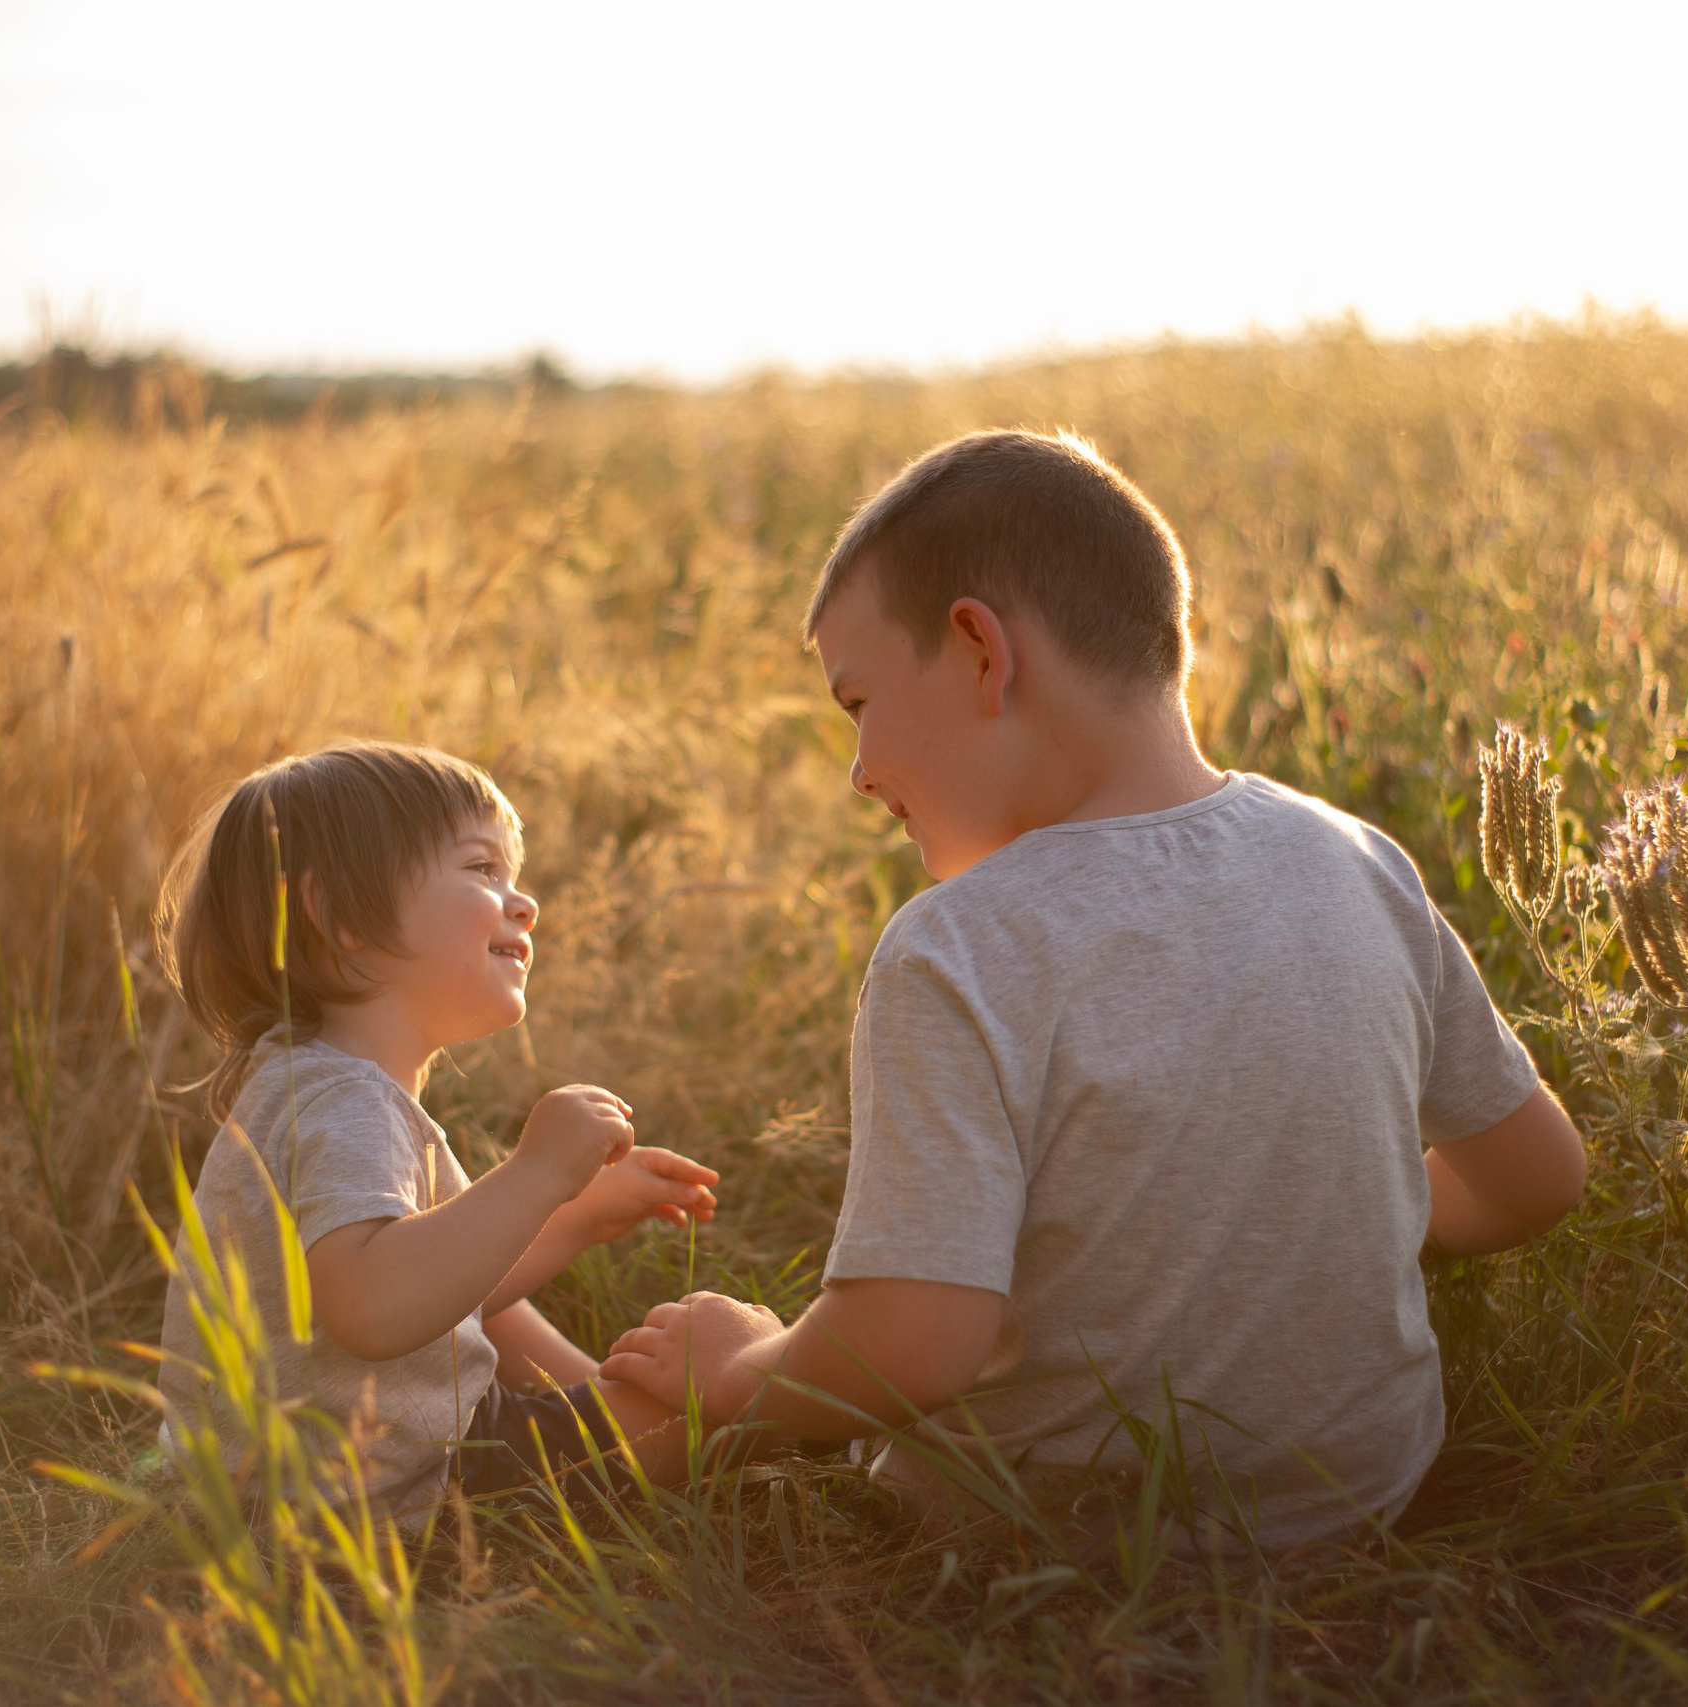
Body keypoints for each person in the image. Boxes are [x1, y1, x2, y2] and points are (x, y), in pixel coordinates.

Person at [601, 430, 1587, 1553]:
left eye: (858, 702)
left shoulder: (958, 947)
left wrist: (742, 1372)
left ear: (981, 650)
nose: (859, 769)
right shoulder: (1354, 860)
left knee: (657, 1405)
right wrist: (1318, 1214)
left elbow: (915, 1337)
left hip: (1033, 1538)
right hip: (1357, 1501)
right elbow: (1539, 1181)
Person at [155, 740, 716, 1518]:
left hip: (279, 1479)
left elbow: (435, 1288)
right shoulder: (344, 1102)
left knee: (486, 1294)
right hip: (388, 1486)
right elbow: (377, 1307)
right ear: (341, 916)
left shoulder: (307, 1082)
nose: (524, 901)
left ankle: (601, 1403)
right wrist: (538, 1174)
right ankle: (737, 1412)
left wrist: (573, 1213)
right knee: (714, 1389)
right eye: (483, 870)